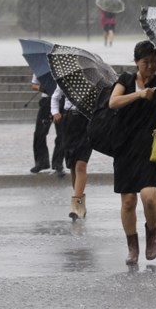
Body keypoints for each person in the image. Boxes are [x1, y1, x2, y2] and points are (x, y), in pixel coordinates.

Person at [108, 40, 156, 265]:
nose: (151, 66)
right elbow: (113, 102)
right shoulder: (125, 80)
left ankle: (152, 234)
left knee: (149, 198)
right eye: (145, 62)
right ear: (136, 62)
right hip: (124, 147)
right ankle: (132, 246)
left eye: (154, 61)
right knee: (128, 201)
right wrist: (138, 95)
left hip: (150, 148)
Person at [51, 85, 92, 220]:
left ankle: (75, 205)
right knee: (73, 165)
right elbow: (55, 97)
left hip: (86, 123)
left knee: (81, 164)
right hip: (68, 122)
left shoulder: (93, 82)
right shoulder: (66, 79)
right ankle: (81, 204)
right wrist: (55, 112)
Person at [30, 74, 65, 176]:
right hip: (46, 102)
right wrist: (43, 88)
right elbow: (34, 85)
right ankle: (41, 162)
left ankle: (58, 163)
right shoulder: (41, 69)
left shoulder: (63, 69)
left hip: (61, 101)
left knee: (62, 134)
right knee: (39, 133)